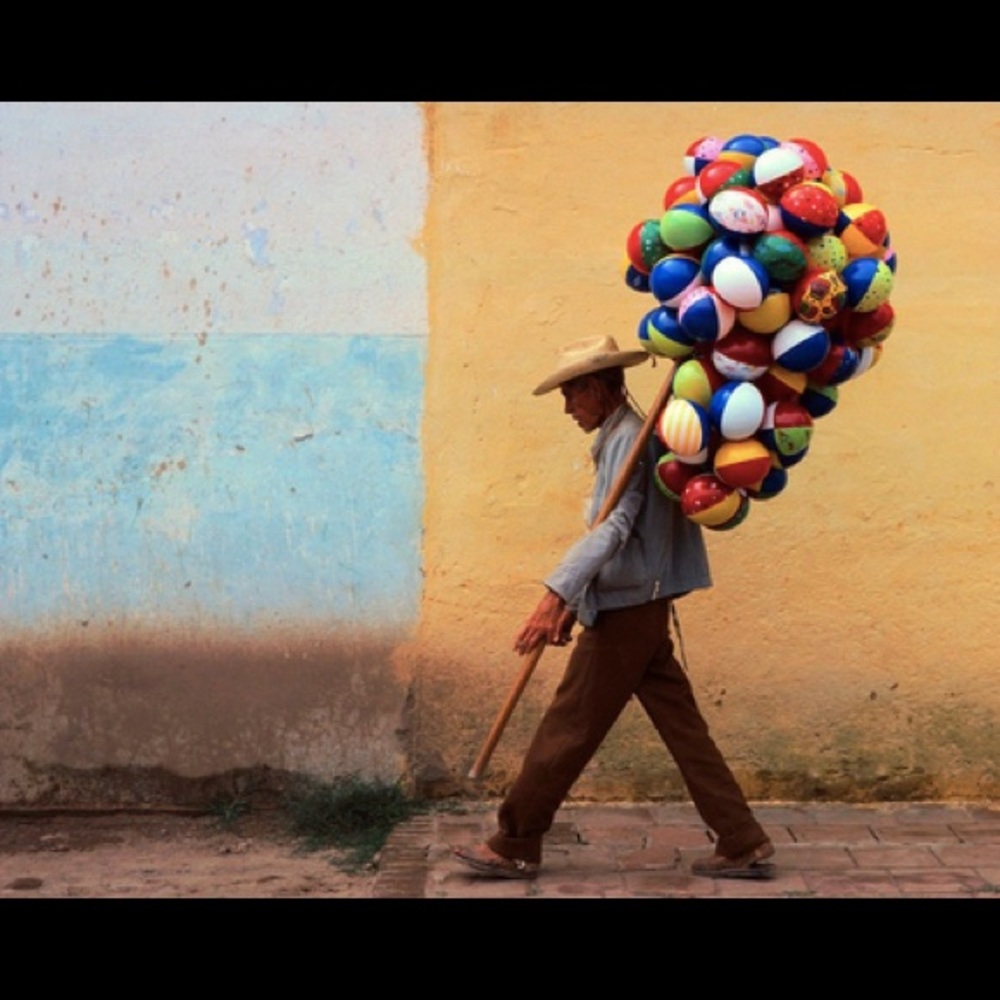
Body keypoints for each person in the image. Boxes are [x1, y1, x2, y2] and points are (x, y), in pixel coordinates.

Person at [453, 334, 775, 881]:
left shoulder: (630, 439)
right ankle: (741, 838)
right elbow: (618, 536)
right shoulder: (623, 436)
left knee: (568, 725)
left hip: (629, 613)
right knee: (684, 731)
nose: (567, 407)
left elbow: (616, 530)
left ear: (601, 389)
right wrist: (574, 603)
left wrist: (555, 594)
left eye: (573, 393)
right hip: (639, 606)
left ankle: (515, 840)